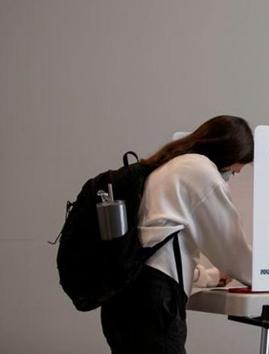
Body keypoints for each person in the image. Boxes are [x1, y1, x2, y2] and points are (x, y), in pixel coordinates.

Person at [100, 115, 254, 354]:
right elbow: (231, 249)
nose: (232, 175)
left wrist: (210, 277)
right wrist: (267, 275)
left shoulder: (169, 167)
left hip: (123, 300)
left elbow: (159, 248)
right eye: (233, 171)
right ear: (230, 153)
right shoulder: (202, 172)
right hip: (152, 306)